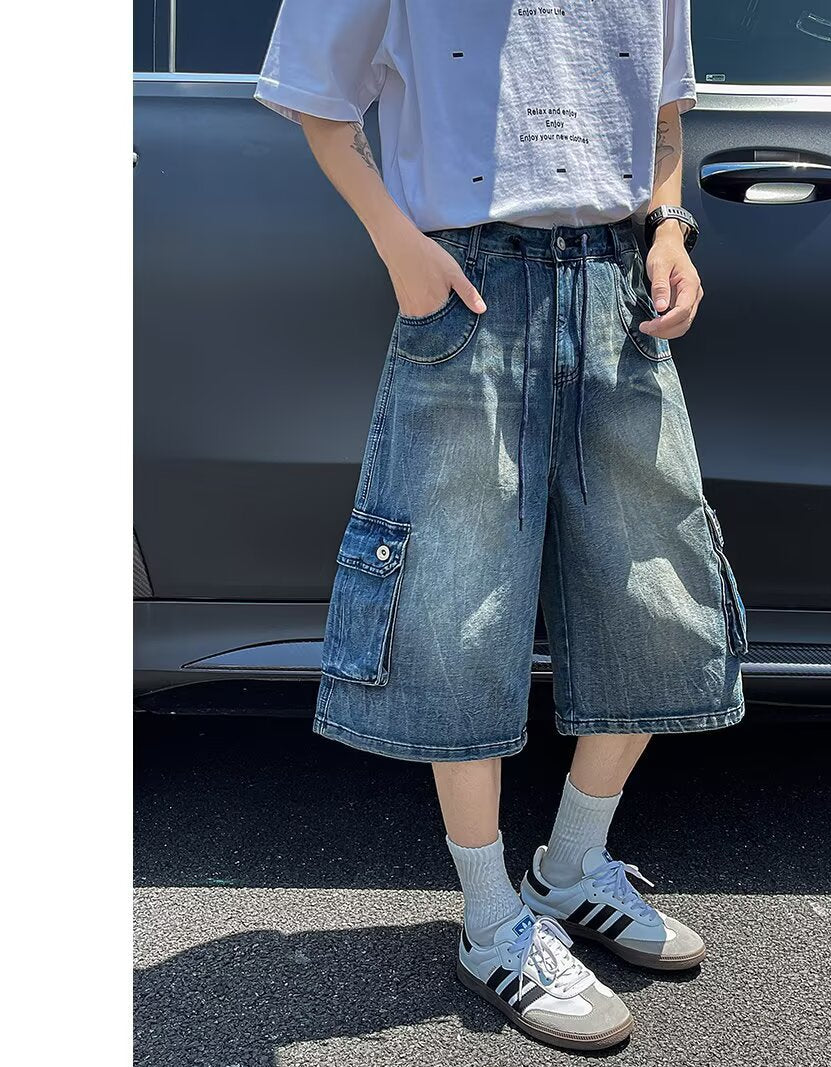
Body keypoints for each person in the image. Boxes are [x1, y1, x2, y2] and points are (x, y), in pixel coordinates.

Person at [256, 0, 748, 1051]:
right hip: (469, 286)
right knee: (458, 603)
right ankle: (490, 921)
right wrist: (398, 243)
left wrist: (669, 227)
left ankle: (569, 866)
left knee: (653, 596)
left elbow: (663, 111)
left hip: (616, 289)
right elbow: (317, 103)